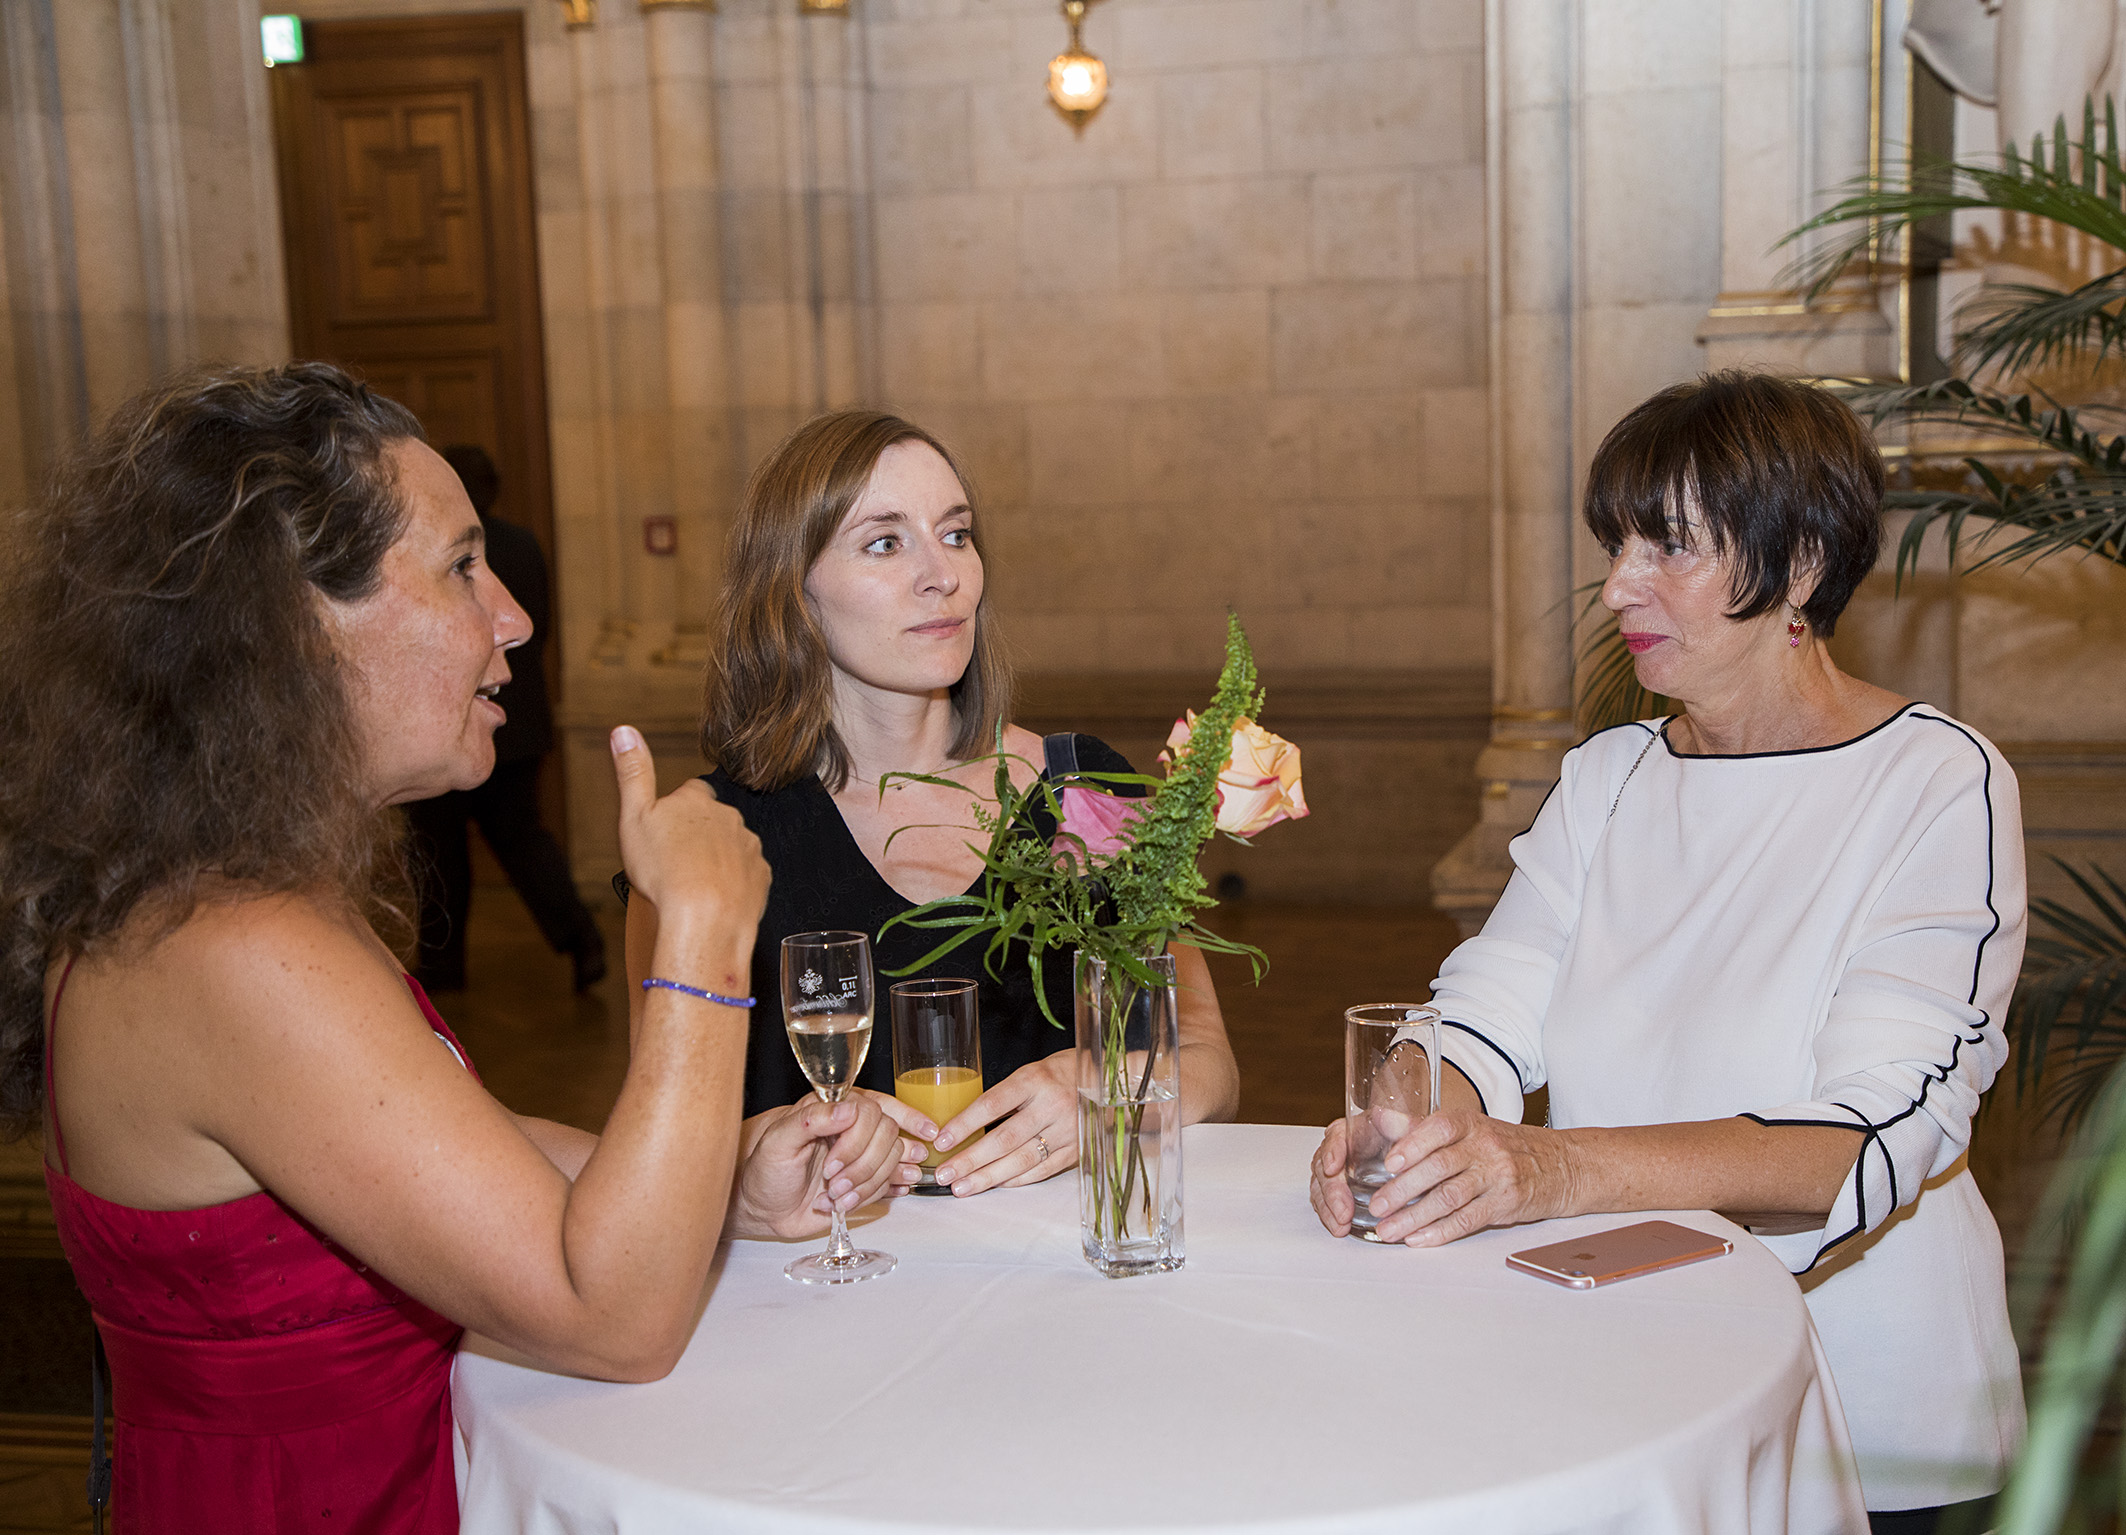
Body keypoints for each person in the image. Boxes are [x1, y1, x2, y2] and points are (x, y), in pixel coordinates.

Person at [0, 364, 919, 1533]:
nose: (513, 616)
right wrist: (701, 935)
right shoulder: (235, 948)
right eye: (460, 566)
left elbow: (446, 1148)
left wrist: (724, 1181)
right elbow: (616, 1319)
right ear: (297, 623)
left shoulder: (210, 901)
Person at [1308, 371, 2026, 1533]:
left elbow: (1868, 1136)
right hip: (1626, 1359)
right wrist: (1401, 1126)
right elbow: (1479, 1016)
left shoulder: (1933, 780)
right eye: (1616, 546)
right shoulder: (1609, 775)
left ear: (1799, 562)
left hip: (1868, 1410)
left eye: (1668, 546)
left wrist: (1543, 1170)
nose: (1615, 587)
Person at [623, 409, 1241, 1194]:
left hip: (1059, 1252)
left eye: (955, 533)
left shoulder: (1082, 791)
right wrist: (788, 1137)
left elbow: (1211, 1065)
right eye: (885, 542)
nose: (942, 574)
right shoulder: (708, 835)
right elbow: (654, 1148)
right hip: (823, 1263)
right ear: (792, 590)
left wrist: (1104, 1087)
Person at [405, 443, 607, 994]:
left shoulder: (449, 552)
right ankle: (582, 940)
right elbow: (539, 625)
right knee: (521, 842)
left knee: (441, 854)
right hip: (521, 723)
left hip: (472, 716)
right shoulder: (522, 543)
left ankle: (443, 967)